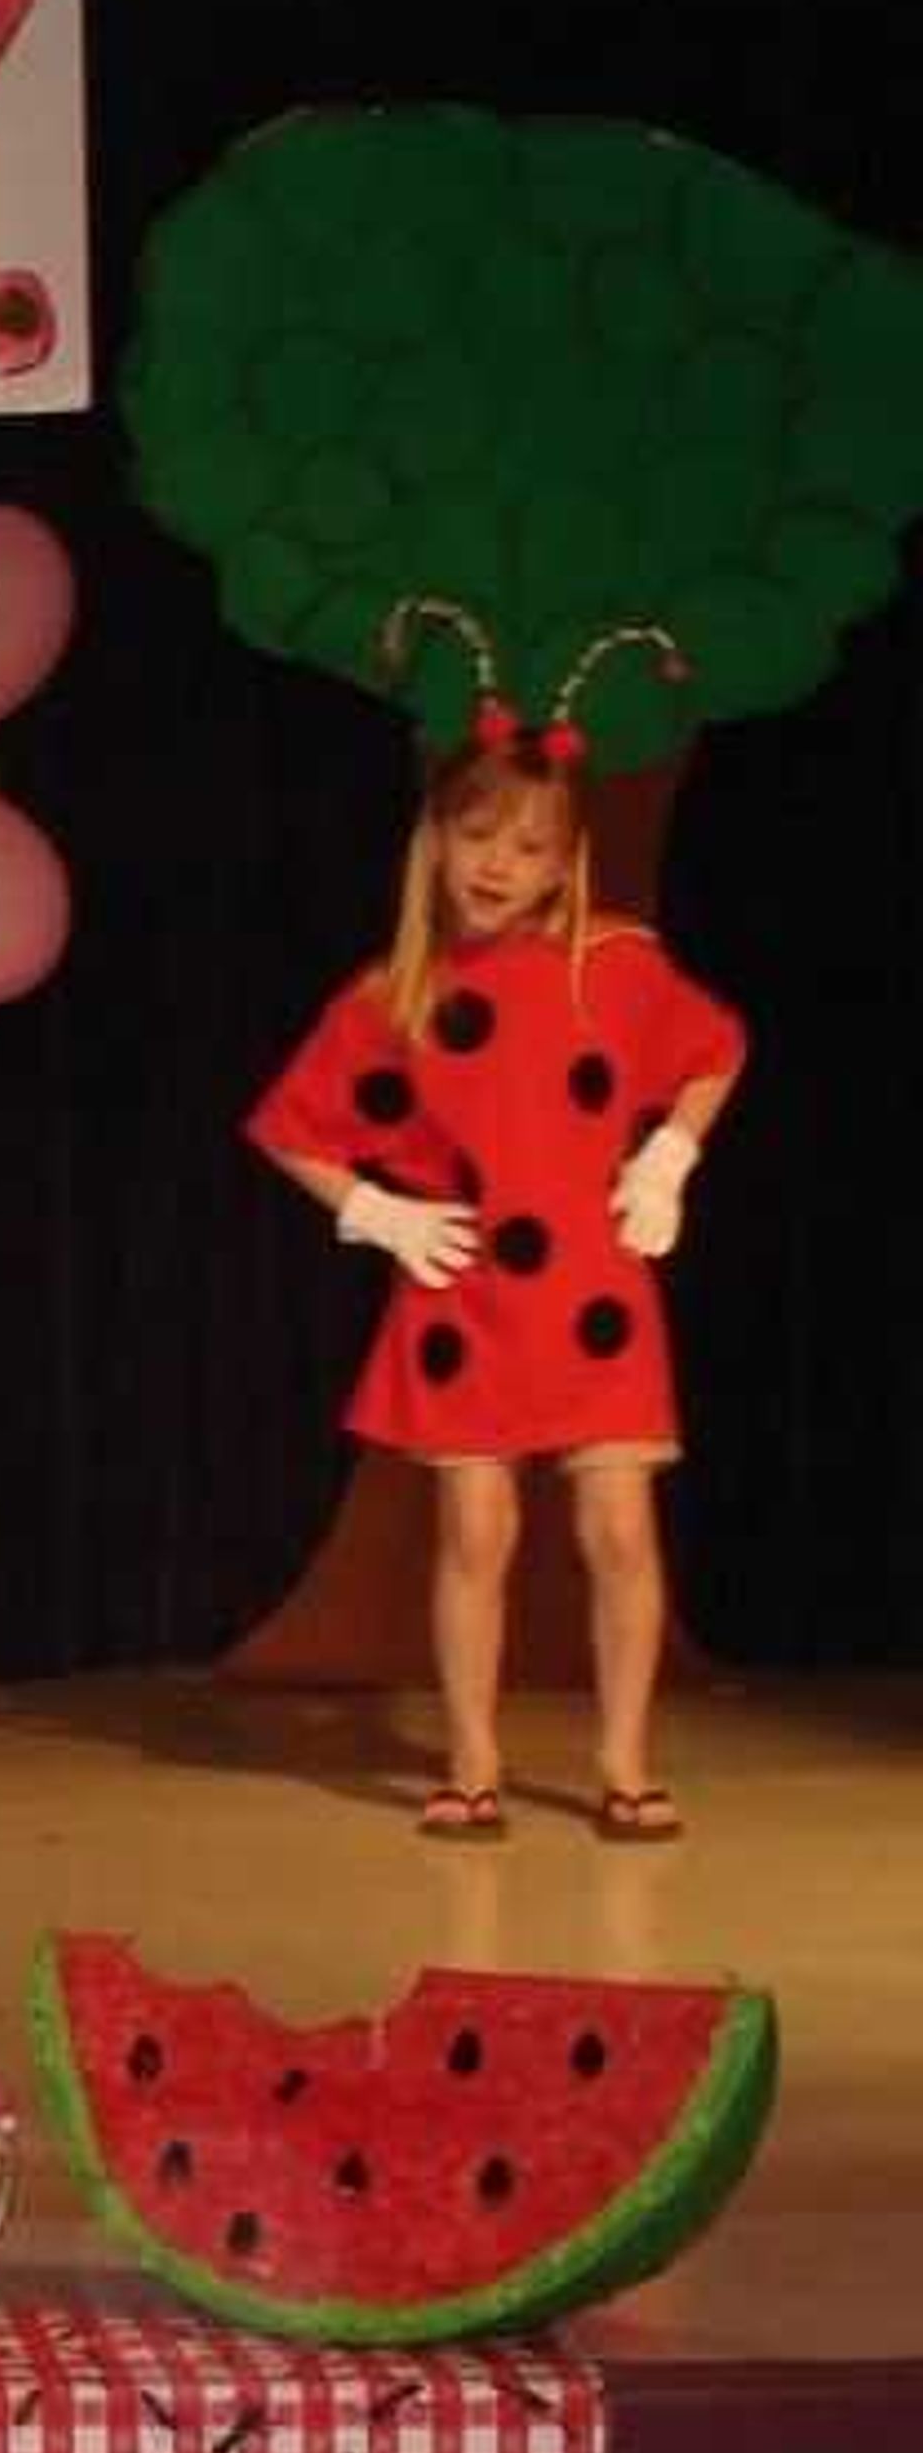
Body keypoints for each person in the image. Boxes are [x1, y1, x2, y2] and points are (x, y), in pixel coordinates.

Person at [247, 629, 744, 1844]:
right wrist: (375, 1210)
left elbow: (715, 1050)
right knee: (476, 1529)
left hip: (591, 1287)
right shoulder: (393, 998)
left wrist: (669, 1156)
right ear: (435, 841)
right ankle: (472, 1763)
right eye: (477, 837)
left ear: (565, 864)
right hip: (468, 1293)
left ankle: (625, 1762)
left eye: (527, 847)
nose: (497, 864)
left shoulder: (613, 967)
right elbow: (290, 1124)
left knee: (619, 1530)